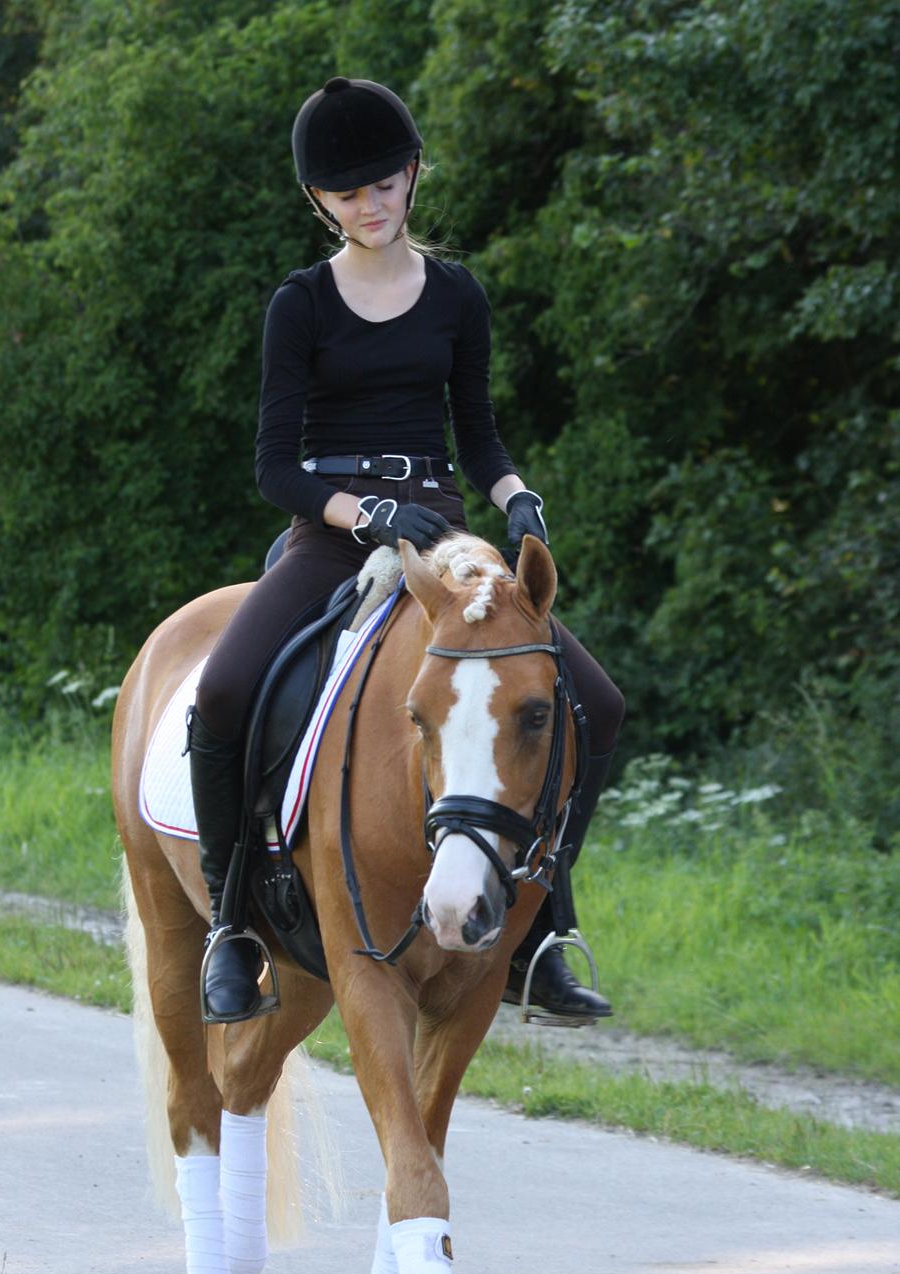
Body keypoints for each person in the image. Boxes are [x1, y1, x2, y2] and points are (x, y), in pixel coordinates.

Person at [190, 75, 623, 1024]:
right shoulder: (299, 304)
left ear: (411, 176)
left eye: (382, 184)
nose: (368, 204)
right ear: (320, 202)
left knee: (595, 700)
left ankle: (541, 931)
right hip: (334, 532)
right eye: (346, 193)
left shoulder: (455, 295)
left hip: (441, 524)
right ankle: (231, 928)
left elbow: (477, 434)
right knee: (222, 692)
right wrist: (364, 516)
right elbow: (274, 467)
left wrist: (518, 500)